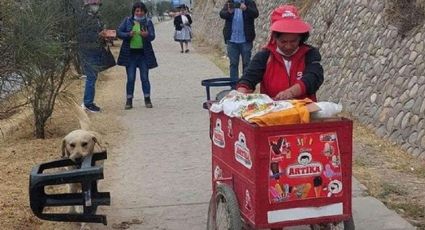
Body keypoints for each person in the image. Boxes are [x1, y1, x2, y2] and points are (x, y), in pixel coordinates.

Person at [236, 5, 324, 102]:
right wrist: (241, 93)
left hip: (305, 112)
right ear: (274, 38)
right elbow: (248, 78)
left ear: (300, 38)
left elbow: (314, 77)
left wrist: (291, 92)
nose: (288, 46)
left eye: (293, 41)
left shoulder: (310, 54)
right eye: (283, 42)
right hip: (273, 112)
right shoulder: (265, 56)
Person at [117, 2, 158, 109]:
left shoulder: (148, 22)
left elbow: (152, 36)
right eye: (137, 11)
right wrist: (128, 34)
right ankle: (129, 100)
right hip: (130, 55)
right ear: (134, 12)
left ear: (144, 11)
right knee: (130, 78)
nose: (139, 13)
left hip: (143, 54)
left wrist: (147, 35)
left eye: (141, 11)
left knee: (145, 78)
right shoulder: (127, 21)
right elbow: (119, 32)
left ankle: (147, 99)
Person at [77, 0, 110, 112]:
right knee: (91, 77)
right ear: (88, 5)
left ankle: (88, 101)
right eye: (94, 4)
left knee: (93, 77)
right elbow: (82, 35)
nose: (96, 6)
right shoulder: (84, 18)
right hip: (87, 51)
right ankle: (88, 103)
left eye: (97, 4)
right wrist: (98, 35)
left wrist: (104, 35)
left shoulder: (96, 17)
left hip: (95, 50)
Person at [219, 0, 259, 83]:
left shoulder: (249, 2)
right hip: (232, 40)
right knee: (233, 64)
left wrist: (246, 9)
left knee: (247, 64)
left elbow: (256, 14)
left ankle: (245, 85)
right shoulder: (230, 2)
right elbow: (222, 14)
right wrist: (229, 12)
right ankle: (233, 86)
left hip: (245, 40)